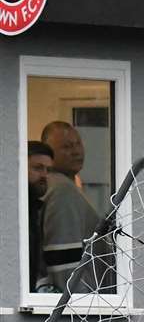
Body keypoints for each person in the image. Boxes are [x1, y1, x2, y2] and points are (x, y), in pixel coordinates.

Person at [40, 120, 115, 294]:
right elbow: (63, 262)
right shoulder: (61, 190)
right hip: (80, 308)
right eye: (66, 147)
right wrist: (78, 304)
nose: (75, 151)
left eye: (77, 144)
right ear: (49, 154)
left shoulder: (65, 185)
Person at [25, 140, 52, 292]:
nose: (44, 175)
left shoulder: (35, 209)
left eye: (48, 170)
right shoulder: (19, 209)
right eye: (37, 168)